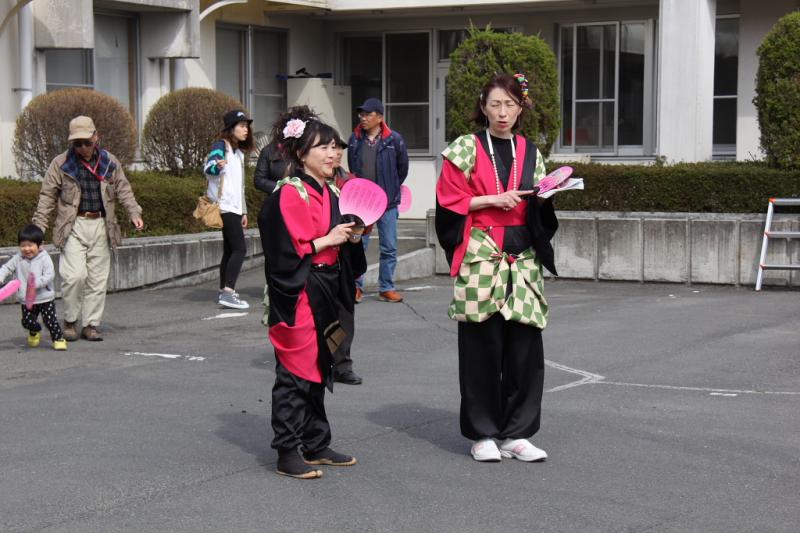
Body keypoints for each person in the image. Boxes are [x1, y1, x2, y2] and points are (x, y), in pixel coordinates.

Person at [435, 73, 559, 463]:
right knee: (481, 347)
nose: (502, 112)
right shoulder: (465, 148)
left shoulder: (531, 151)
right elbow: (448, 201)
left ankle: (518, 433)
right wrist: (491, 200)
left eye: (509, 104)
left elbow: (538, 203)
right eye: (495, 104)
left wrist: (547, 198)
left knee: (525, 347)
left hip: (523, 255)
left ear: (521, 108)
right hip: (482, 251)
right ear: (482, 107)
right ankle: (483, 433)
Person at [259, 112, 366, 479]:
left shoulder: (332, 190)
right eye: (324, 146)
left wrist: (350, 238)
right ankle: (287, 449)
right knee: (295, 370)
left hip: (328, 286)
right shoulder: (290, 192)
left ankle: (315, 442)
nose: (333, 153)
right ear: (301, 153)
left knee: (319, 366)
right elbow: (283, 250)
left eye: (336, 146)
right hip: (300, 289)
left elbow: (339, 242)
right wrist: (328, 239)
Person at [32, 115, 144, 342]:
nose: (82, 147)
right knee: (74, 276)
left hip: (102, 224)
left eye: (86, 142)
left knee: (97, 279)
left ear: (96, 137)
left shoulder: (109, 162)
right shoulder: (61, 164)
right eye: (77, 143)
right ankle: (70, 321)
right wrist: (37, 229)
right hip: (73, 225)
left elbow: (124, 189)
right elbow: (47, 197)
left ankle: (91, 324)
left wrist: (134, 212)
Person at [347, 97, 408, 303]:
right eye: (361, 114)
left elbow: (402, 169)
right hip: (361, 203)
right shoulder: (355, 139)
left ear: (380, 117)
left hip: (387, 203)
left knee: (389, 246)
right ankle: (356, 287)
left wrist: (389, 189)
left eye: (367, 114)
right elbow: (352, 169)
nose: (362, 118)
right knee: (358, 245)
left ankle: (386, 287)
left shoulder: (394, 140)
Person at [204, 109, 253, 310]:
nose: (246, 130)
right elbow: (209, 168)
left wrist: (243, 210)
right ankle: (228, 292)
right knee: (240, 249)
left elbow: (239, 184)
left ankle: (223, 290)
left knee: (230, 250)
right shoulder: (220, 146)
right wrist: (218, 166)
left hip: (233, 207)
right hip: (224, 206)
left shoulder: (239, 153)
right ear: (231, 128)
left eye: (246, 126)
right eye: (241, 126)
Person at [327, 134, 363, 386]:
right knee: (321, 315)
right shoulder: (301, 184)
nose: (335, 153)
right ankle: (323, 361)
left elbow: (362, 216)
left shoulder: (348, 181)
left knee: (344, 313)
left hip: (345, 258)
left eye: (338, 148)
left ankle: (341, 364)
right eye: (329, 148)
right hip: (318, 259)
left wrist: (359, 230)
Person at [0, 225, 67, 351]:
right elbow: (7, 268)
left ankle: (58, 339)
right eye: (23, 245)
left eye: (30, 245)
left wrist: (35, 283)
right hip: (27, 299)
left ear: (39, 245)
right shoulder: (18, 258)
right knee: (27, 321)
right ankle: (34, 331)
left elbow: (49, 275)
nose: (26, 249)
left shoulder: (44, 258)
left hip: (44, 297)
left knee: (50, 321)